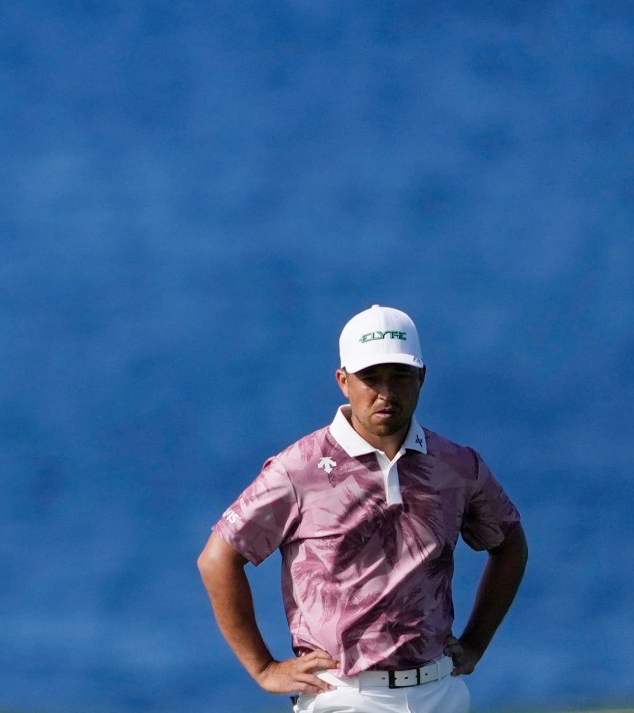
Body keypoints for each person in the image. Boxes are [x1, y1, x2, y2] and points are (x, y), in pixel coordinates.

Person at [197, 306, 528, 713]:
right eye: (371, 378)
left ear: (422, 377)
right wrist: (264, 667)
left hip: (440, 692)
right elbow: (218, 559)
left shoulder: (457, 466)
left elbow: (509, 542)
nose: (386, 393)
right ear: (344, 382)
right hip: (344, 697)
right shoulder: (299, 468)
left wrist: (475, 643)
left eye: (400, 376)